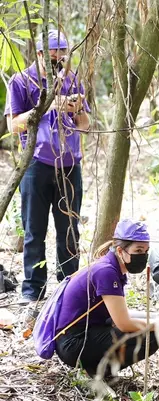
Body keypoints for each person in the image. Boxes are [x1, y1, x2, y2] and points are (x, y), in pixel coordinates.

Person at [5, 30, 90, 304]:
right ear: (40, 53)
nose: (59, 60)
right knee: (34, 230)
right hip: (36, 165)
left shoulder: (72, 80)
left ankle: (69, 289)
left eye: (63, 55)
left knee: (69, 230)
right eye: (54, 55)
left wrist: (74, 109)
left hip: (69, 165)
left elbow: (85, 125)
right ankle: (33, 292)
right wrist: (50, 105)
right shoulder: (21, 81)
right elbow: (13, 124)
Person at [55, 220, 159, 378]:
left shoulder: (112, 267)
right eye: (138, 250)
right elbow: (124, 323)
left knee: (151, 328)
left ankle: (95, 370)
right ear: (120, 250)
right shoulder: (107, 272)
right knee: (151, 337)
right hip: (73, 343)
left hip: (83, 334)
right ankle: (97, 374)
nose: (142, 255)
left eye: (145, 250)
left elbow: (120, 313)